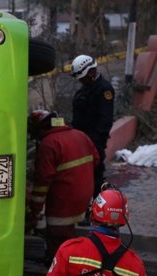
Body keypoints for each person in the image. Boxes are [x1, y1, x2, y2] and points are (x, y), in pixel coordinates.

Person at [26, 110, 99, 264]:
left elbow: (42, 183)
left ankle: (61, 267)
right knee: (69, 230)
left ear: (41, 128)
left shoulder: (48, 144)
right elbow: (96, 160)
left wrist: (35, 210)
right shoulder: (80, 135)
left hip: (63, 199)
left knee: (58, 236)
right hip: (83, 195)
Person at [70, 54, 115, 199]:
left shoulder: (104, 90)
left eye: (82, 77)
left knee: (95, 178)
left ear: (91, 72)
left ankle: (97, 209)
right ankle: (85, 208)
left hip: (93, 143)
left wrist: (93, 143)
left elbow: (105, 121)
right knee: (81, 177)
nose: (81, 81)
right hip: (80, 141)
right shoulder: (85, 89)